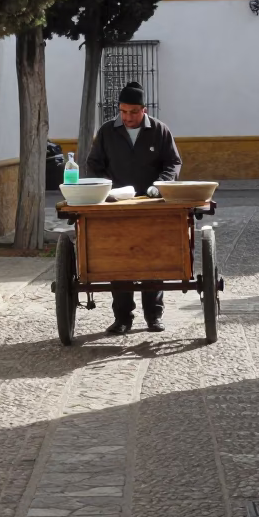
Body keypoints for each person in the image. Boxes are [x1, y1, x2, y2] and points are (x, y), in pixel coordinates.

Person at [85, 81, 182, 334]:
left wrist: (160, 185)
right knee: (119, 261)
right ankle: (122, 319)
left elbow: (173, 163)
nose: (128, 117)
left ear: (144, 110)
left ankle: (154, 317)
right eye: (123, 111)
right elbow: (94, 164)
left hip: (151, 206)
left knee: (152, 259)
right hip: (117, 206)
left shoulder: (160, 131)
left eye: (133, 112)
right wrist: (107, 189)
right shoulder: (107, 131)